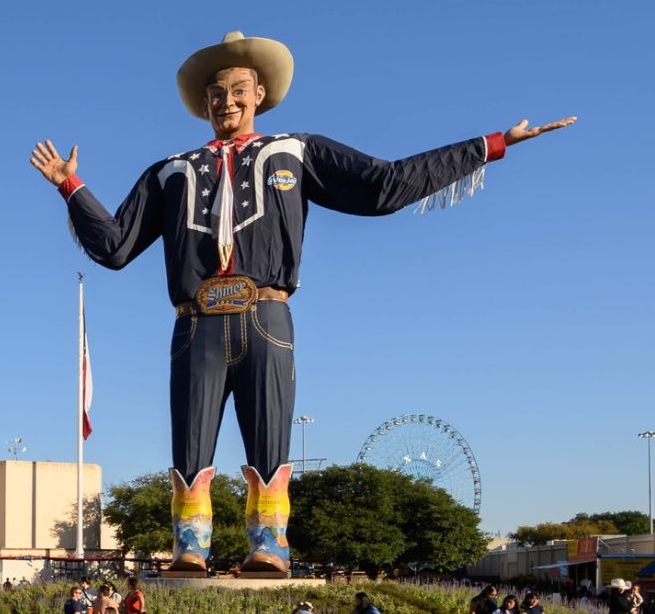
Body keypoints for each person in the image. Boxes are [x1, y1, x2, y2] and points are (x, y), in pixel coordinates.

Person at [30, 31, 575, 573]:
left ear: (260, 94)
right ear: (203, 104)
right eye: (216, 93)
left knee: (271, 439)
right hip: (196, 324)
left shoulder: (295, 150)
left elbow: (383, 184)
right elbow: (117, 244)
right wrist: (70, 184)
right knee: (189, 444)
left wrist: (490, 145)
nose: (227, 101)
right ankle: (189, 547)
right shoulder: (171, 169)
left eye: (238, 89)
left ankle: (269, 545)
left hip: (267, 315)